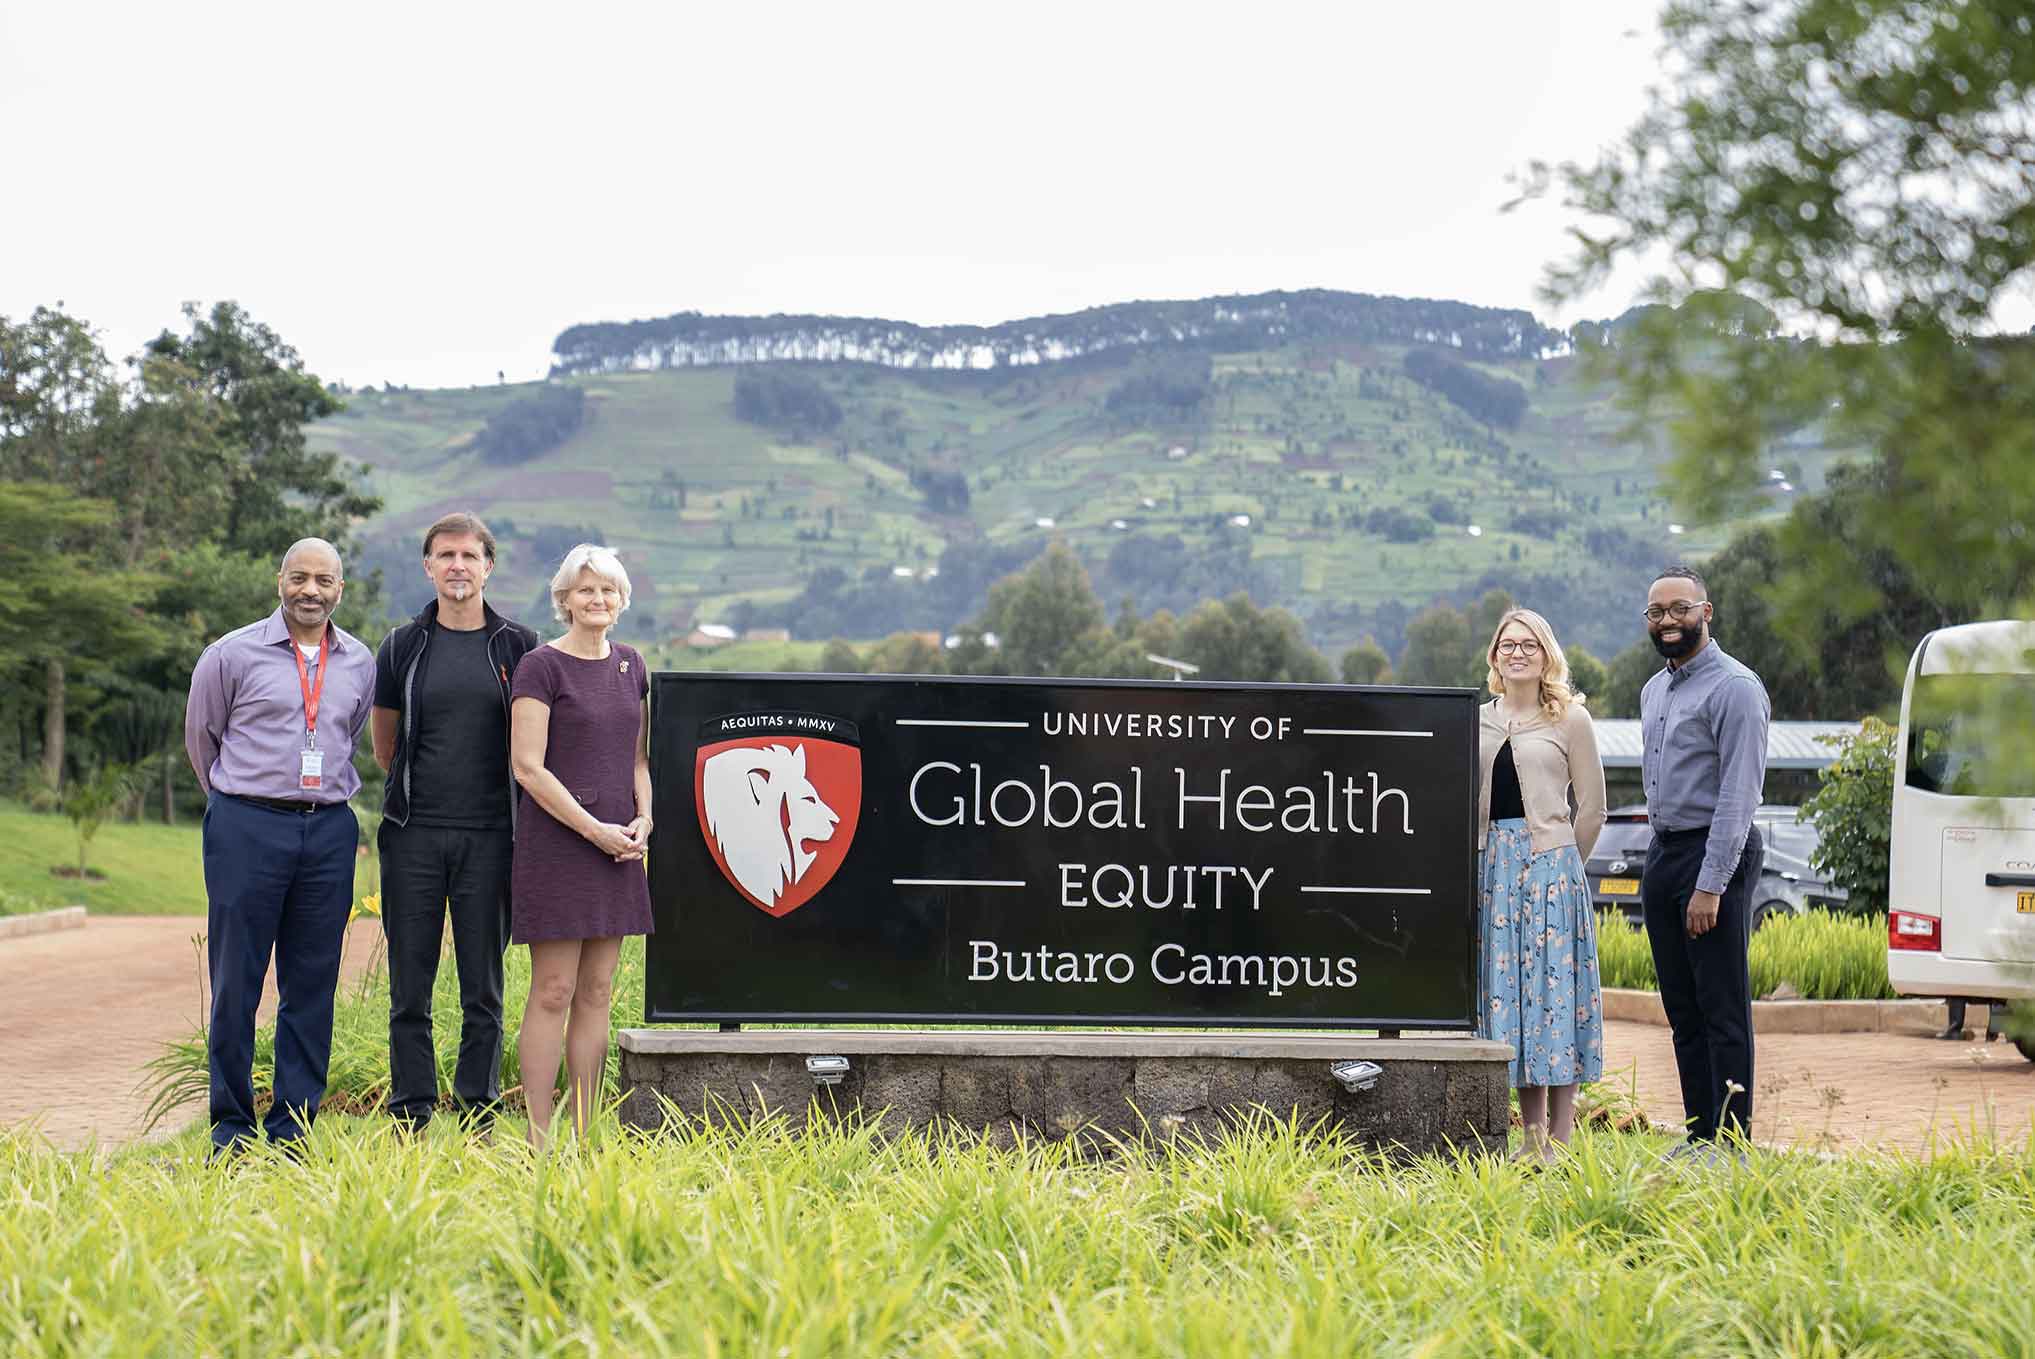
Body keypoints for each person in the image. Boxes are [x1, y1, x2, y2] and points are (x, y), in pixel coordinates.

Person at [184, 538, 376, 1157]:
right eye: (300, 577)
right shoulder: (230, 654)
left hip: (328, 830)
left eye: (324, 580)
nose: (311, 590)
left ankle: (294, 1126)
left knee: (313, 980)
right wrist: (240, 806)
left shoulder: (360, 662)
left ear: (339, 590)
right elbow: (202, 741)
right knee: (237, 977)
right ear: (280, 582)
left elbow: (349, 734)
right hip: (246, 824)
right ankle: (231, 1126)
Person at [369, 513, 539, 1133]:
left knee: (483, 989)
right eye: (445, 556)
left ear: (489, 566)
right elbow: (384, 743)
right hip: (412, 835)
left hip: (493, 835)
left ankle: (477, 1111)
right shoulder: (402, 646)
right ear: (428, 566)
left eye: (469, 556)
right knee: (408, 986)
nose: (458, 566)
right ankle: (411, 1113)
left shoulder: (519, 646)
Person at [509, 543, 654, 1148]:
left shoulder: (633, 665)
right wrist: (593, 829)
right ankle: (540, 1138)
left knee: (598, 992)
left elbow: (640, 759)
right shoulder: (541, 668)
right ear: (564, 600)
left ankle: (586, 1133)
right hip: (559, 845)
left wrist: (646, 818)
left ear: (621, 602)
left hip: (620, 847)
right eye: (585, 590)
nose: (597, 600)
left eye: (607, 591)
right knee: (554, 990)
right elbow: (527, 768)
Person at [1638, 566, 1770, 1153]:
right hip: (1664, 852)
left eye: (1679, 609)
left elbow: (1739, 798)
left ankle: (1733, 1145)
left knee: (1722, 1008)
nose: (1668, 621)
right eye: (1657, 612)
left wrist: (1711, 885)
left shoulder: (1735, 689)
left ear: (1705, 612)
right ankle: (1699, 1136)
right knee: (1682, 1009)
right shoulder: (1653, 691)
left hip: (1715, 854)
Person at [1476, 608, 1607, 1162]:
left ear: (1546, 652)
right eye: (1508, 644)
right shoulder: (1478, 720)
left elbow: (1594, 808)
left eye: (1529, 644)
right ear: (1495, 655)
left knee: (1555, 995)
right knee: (1514, 1002)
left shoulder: (1571, 720)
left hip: (1553, 871)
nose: (1518, 652)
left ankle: (1561, 1137)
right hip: (1494, 871)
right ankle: (1529, 1141)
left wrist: (1562, 866)